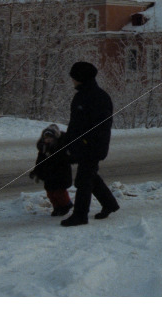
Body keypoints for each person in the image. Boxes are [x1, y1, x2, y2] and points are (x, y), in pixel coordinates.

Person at [59, 61, 119, 227]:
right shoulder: (83, 95)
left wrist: (86, 141)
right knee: (90, 176)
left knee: (83, 180)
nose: (72, 80)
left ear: (81, 78)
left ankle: (80, 215)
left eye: (74, 77)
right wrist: (68, 141)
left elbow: (101, 125)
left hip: (92, 146)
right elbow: (76, 123)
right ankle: (109, 204)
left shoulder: (97, 97)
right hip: (82, 144)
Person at [29, 124, 73, 216]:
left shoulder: (60, 147)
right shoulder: (43, 150)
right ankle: (56, 207)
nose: (48, 140)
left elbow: (65, 159)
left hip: (60, 175)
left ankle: (66, 205)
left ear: (55, 138)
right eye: (46, 138)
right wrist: (36, 171)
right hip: (48, 175)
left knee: (59, 192)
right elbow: (39, 161)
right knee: (50, 193)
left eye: (50, 138)